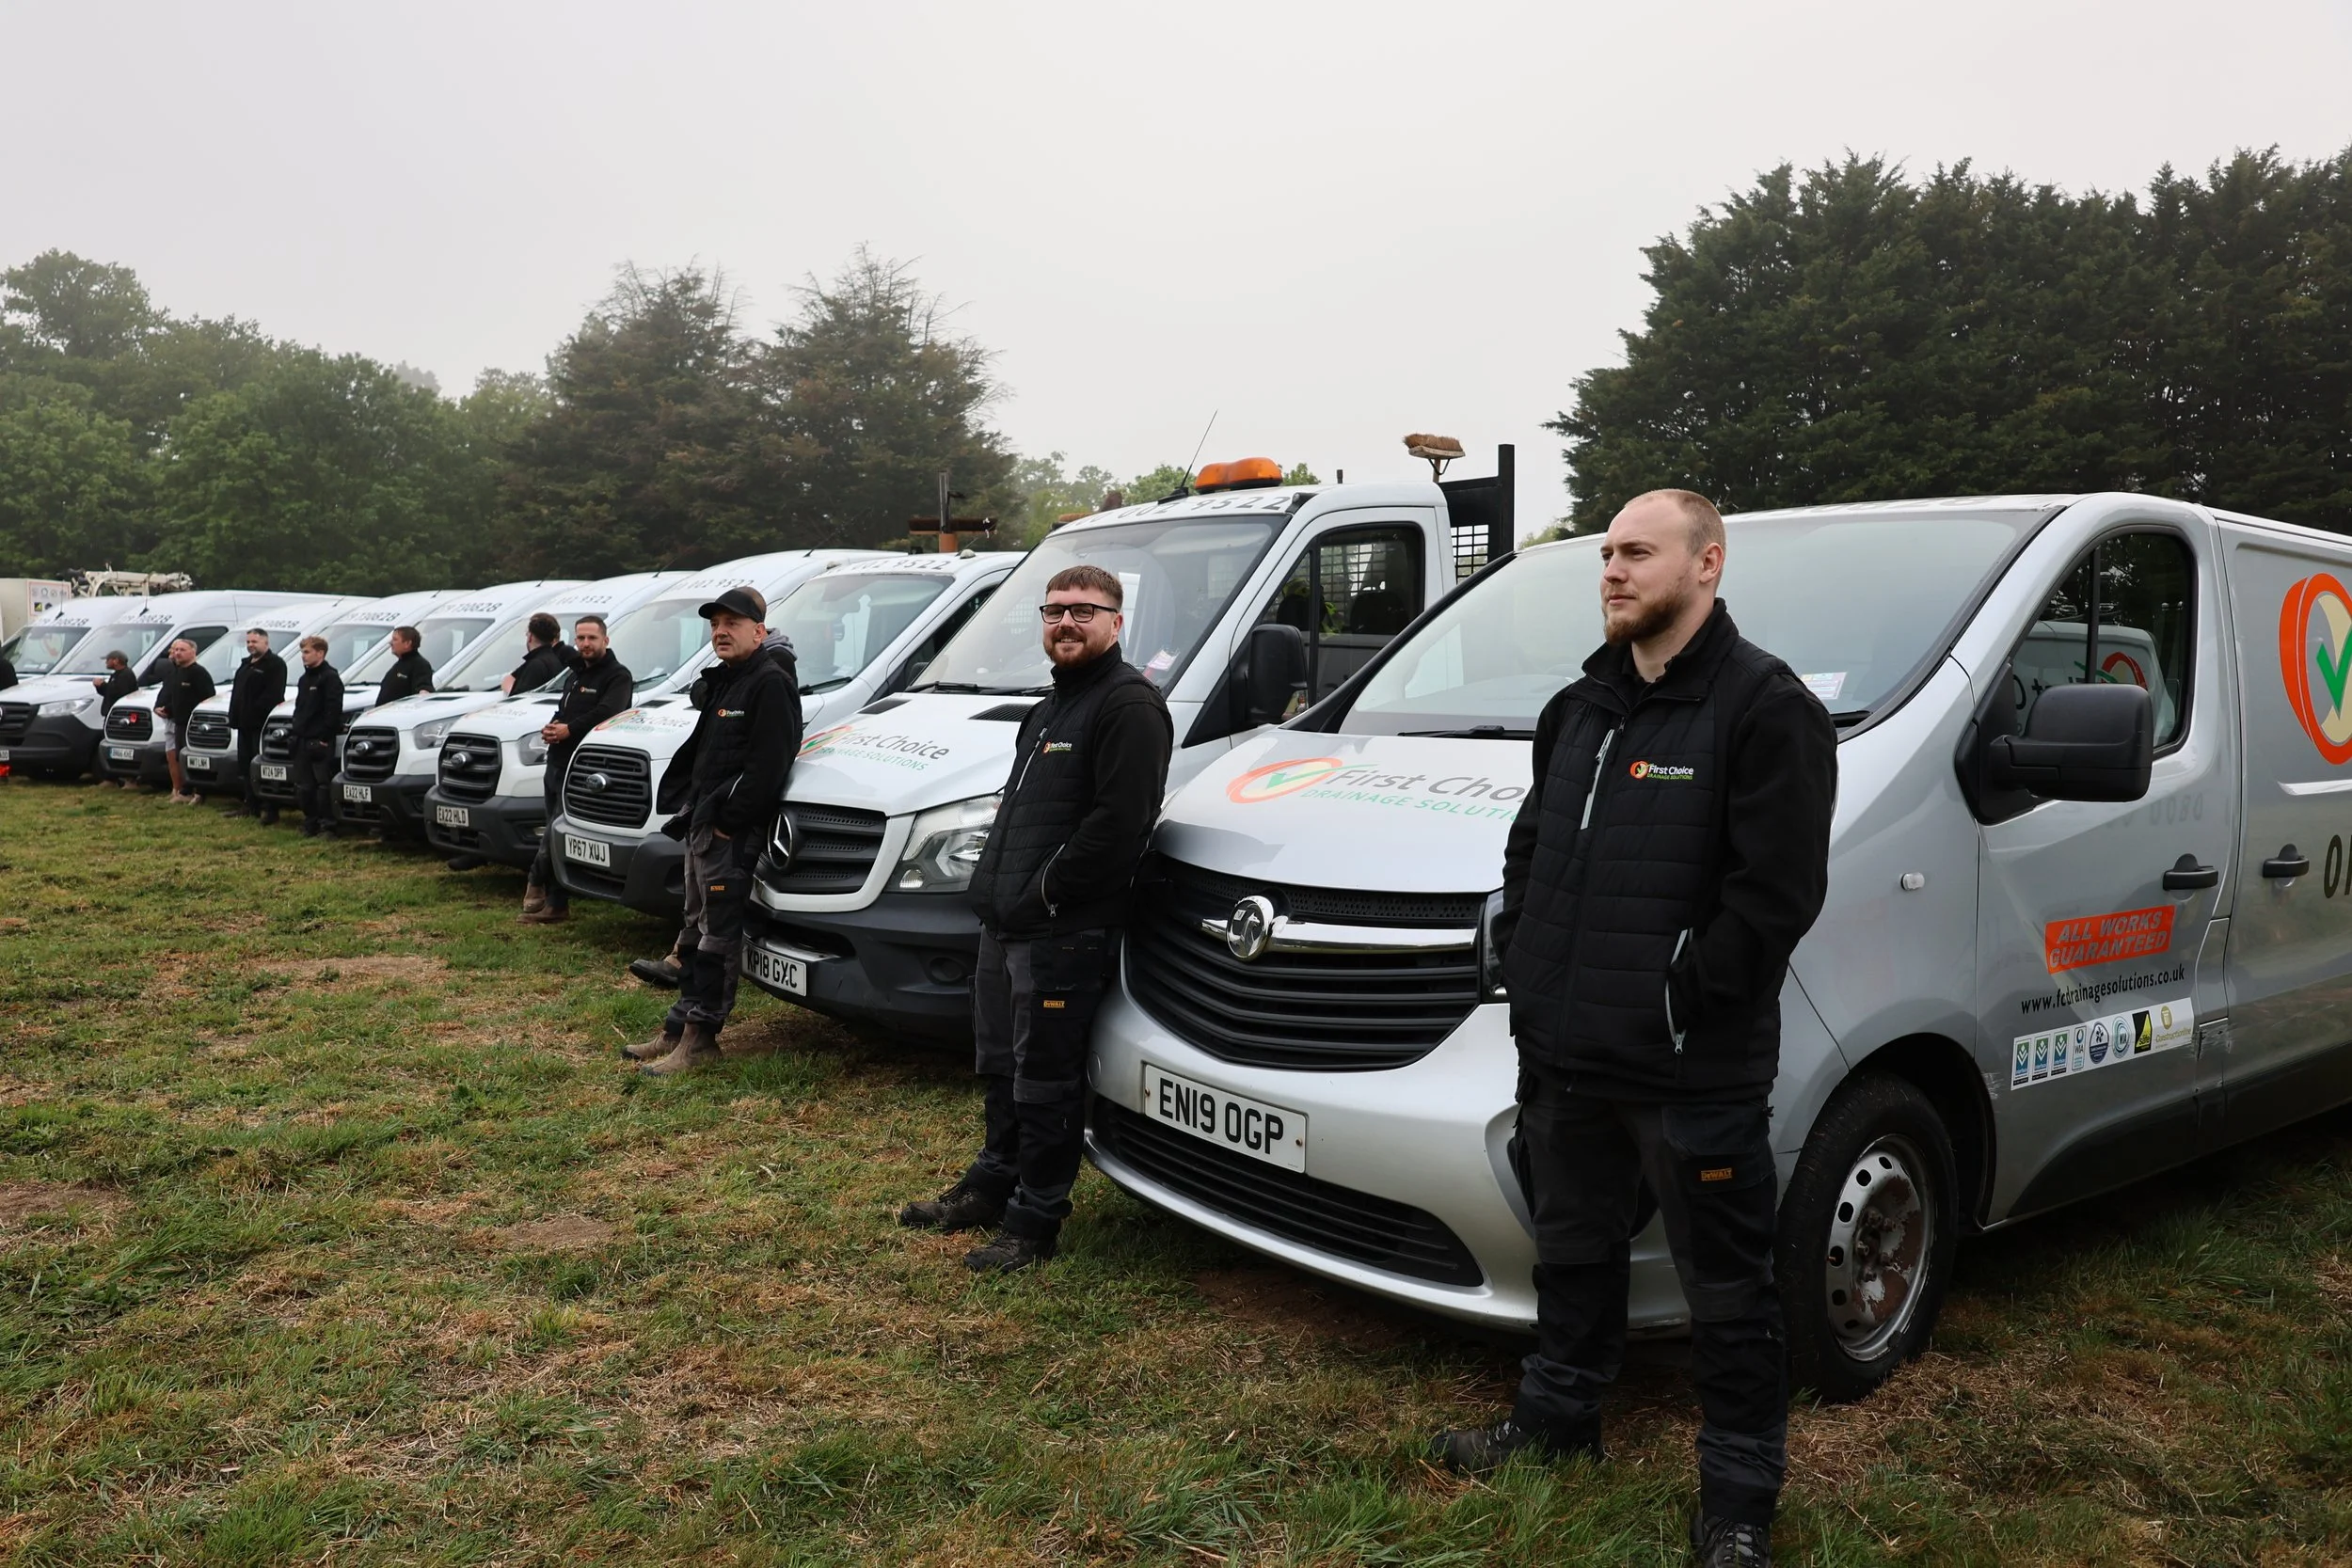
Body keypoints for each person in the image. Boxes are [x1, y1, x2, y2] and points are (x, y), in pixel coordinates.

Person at [1432, 490, 1836, 1568]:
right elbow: (1531, 849)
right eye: (1605, 553)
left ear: (1706, 565)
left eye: (1637, 552)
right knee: (1569, 1251)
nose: (1611, 570)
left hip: (1687, 1070)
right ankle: (1558, 1424)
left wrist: (1676, 999)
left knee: (1727, 1290)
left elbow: (1775, 897)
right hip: (1563, 1053)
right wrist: (1522, 958)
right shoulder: (1581, 707)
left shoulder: (1765, 707)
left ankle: (1738, 1501)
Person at [898, 564, 1173, 1275]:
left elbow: (1120, 826)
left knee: (1047, 1077)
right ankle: (992, 1184)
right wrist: (1000, 891)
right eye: (1054, 610)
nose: (1066, 623)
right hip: (1008, 921)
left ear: (1118, 623)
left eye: (1085, 610)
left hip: (1062, 928)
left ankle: (1036, 1219)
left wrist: (1045, 893)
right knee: (1002, 1064)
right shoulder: (1050, 705)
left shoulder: (1129, 706)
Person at [623, 587, 801, 1075]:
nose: (721, 632)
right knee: (693, 931)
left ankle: (701, 1041)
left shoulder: (770, 681)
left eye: (733, 623)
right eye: (715, 624)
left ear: (759, 631)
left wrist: (727, 822)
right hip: (702, 825)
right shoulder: (730, 679)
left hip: (729, 833)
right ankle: (677, 1030)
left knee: (717, 940)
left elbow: (770, 765)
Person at [520, 614, 634, 924]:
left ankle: (535, 882)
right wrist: (554, 726)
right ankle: (557, 904)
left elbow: (608, 712)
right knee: (552, 828)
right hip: (557, 761)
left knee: (557, 829)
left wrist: (569, 730)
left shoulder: (617, 676)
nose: (584, 644)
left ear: (605, 641)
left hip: (586, 769)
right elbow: (565, 710)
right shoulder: (575, 675)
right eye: (580, 638)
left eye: (591, 638)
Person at [224, 628, 287, 819]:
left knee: (262, 766)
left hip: (260, 725)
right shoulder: (245, 665)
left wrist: (254, 712)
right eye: (248, 641)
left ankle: (270, 807)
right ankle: (250, 804)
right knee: (245, 765)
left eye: (255, 642)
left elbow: (273, 695)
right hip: (243, 725)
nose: (251, 645)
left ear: (266, 643)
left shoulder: (275, 665)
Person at [287, 635, 345, 837]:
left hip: (319, 741)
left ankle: (328, 825)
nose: (303, 656)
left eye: (307, 652)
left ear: (320, 653)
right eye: (302, 652)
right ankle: (310, 822)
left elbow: (333, 710)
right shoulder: (305, 679)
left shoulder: (329, 678)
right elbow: (300, 708)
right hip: (302, 739)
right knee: (304, 786)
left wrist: (324, 737)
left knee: (322, 785)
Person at [154, 637, 217, 804]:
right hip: (178, 722)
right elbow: (176, 698)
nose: (177, 653)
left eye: (182, 650)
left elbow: (208, 698)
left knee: (195, 759)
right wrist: (166, 709)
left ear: (193, 652)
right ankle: (185, 791)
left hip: (195, 724)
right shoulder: (176, 673)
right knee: (180, 757)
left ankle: (200, 792)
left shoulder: (199, 673)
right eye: (176, 650)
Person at [502, 613, 575, 696]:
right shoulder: (553, 659)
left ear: (530, 636)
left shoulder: (536, 665)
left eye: (527, 634)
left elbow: (519, 699)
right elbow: (509, 678)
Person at [373, 626, 435, 709]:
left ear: (407, 643)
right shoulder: (399, 664)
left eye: (395, 639)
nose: (390, 643)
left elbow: (423, 689)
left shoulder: (420, 665)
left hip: (400, 717)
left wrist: (423, 692)